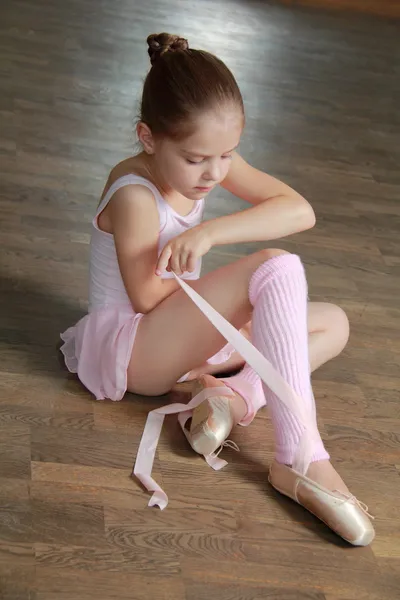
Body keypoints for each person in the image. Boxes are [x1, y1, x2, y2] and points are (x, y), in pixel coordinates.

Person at [60, 33, 374, 545]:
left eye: (227, 155)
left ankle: (231, 397)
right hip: (136, 349)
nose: (214, 173)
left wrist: (210, 231)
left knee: (331, 322)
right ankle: (301, 458)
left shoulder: (207, 160)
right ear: (147, 137)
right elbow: (147, 299)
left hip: (183, 332)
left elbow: (300, 210)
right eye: (197, 159)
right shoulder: (135, 193)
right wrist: (239, 307)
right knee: (275, 269)